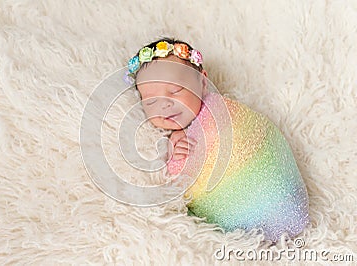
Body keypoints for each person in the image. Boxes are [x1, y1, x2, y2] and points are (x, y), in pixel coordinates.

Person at [126, 37, 309, 242]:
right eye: (151, 101)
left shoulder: (222, 111)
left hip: (279, 194)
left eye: (176, 90)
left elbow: (256, 134)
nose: (165, 105)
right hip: (241, 225)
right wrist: (175, 156)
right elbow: (176, 183)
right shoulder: (167, 141)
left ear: (203, 82)